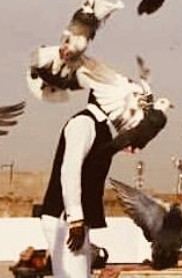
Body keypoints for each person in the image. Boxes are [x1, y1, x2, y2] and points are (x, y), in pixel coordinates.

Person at [40, 92, 115, 278]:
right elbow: (70, 171)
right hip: (65, 218)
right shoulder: (83, 123)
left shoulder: (100, 126)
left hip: (73, 220)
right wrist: (75, 219)